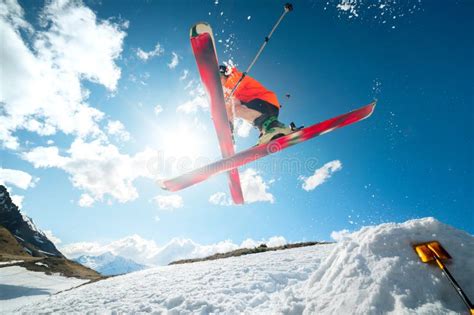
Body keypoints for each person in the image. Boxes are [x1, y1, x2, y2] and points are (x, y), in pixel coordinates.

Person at [219, 65, 293, 145]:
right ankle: (269, 130)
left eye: (219, 78)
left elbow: (231, 93)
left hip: (267, 103)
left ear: (225, 74)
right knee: (234, 107)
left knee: (233, 105)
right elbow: (231, 107)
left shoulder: (235, 77)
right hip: (262, 108)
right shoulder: (229, 91)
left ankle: (274, 126)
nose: (219, 83)